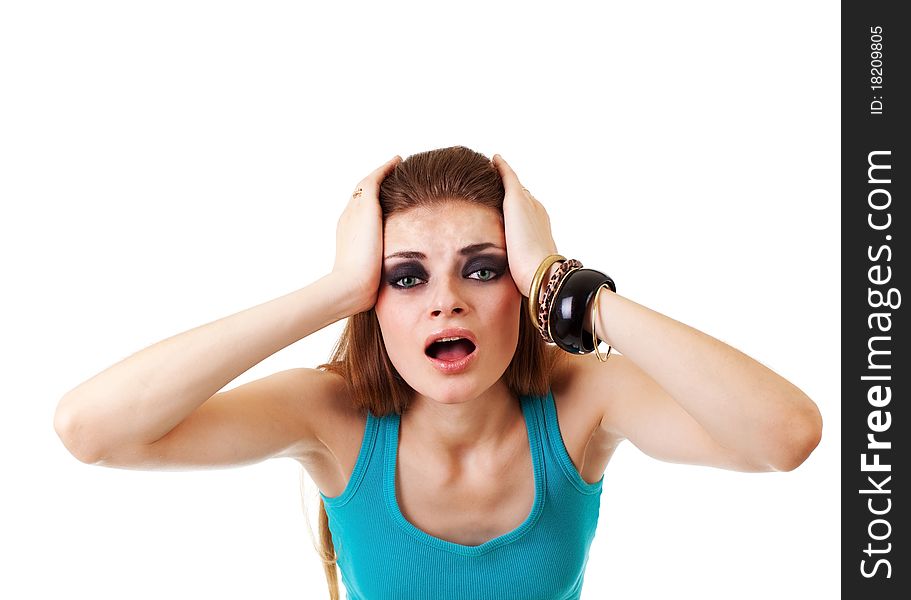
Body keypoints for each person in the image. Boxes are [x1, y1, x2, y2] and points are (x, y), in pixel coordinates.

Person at [53, 145, 823, 599]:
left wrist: (568, 289)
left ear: (520, 290)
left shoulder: (582, 400)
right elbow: (92, 430)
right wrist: (332, 290)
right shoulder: (332, 417)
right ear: (372, 298)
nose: (445, 303)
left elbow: (784, 436)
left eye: (484, 271)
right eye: (406, 277)